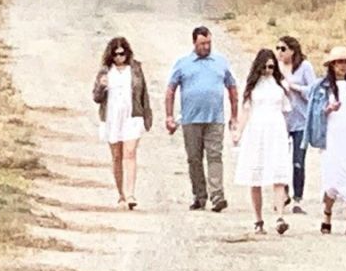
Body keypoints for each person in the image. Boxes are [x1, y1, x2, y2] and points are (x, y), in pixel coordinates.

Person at [166, 26, 238, 212]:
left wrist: (234, 114)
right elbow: (171, 89)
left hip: (215, 118)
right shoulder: (183, 64)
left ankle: (217, 196)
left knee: (215, 156)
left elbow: (232, 87)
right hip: (190, 119)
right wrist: (169, 116)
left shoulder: (220, 62)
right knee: (194, 158)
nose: (206, 47)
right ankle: (199, 195)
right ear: (194, 43)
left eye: (208, 43)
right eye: (202, 43)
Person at [304, 46, 346, 236]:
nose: (343, 66)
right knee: (332, 180)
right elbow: (314, 113)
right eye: (339, 62)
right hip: (332, 135)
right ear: (333, 65)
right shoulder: (321, 87)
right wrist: (328, 109)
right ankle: (327, 213)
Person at [232, 49, 294, 235]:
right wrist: (238, 132)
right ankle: (258, 219)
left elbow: (286, 111)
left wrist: (289, 133)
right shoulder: (252, 87)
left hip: (275, 130)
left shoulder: (280, 85)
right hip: (256, 130)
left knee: (279, 174)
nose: (268, 70)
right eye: (265, 67)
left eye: (271, 67)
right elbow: (246, 111)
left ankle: (280, 216)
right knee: (255, 176)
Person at [92, 37, 153, 210]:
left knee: (130, 153)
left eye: (123, 53)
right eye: (116, 54)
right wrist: (101, 87)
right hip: (112, 116)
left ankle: (131, 193)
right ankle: (121, 195)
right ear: (110, 56)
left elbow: (144, 94)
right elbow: (96, 98)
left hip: (132, 115)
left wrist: (147, 115)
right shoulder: (105, 72)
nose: (120, 57)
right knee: (117, 156)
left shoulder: (135, 69)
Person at [276, 36, 318, 214]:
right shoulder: (275, 68)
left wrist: (295, 88)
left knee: (298, 161)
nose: (279, 52)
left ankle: (297, 198)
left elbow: (314, 90)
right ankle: (282, 193)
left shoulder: (304, 67)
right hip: (281, 120)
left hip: (300, 120)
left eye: (283, 49)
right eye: (277, 48)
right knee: (279, 159)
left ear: (293, 51)